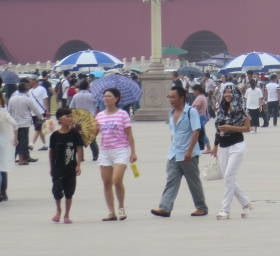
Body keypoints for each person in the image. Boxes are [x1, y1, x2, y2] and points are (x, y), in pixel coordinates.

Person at [150, 84, 208, 218]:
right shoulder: (171, 113)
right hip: (174, 154)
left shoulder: (191, 112)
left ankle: (201, 207)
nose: (170, 100)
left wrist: (189, 151)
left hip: (188, 155)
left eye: (173, 97)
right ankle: (165, 208)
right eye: (169, 97)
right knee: (171, 180)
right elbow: (173, 133)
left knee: (193, 182)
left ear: (182, 98)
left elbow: (196, 131)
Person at [211, 83, 254, 220]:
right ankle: (246, 203)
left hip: (237, 146)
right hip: (223, 146)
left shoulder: (241, 108)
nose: (227, 95)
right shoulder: (221, 108)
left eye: (230, 92)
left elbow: (247, 128)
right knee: (228, 178)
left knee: (229, 176)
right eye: (225, 92)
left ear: (235, 93)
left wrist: (230, 128)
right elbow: (218, 129)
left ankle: (225, 210)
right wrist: (215, 146)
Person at [95, 87, 137, 221]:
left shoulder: (123, 114)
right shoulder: (99, 115)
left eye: (109, 96)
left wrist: (133, 152)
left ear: (116, 99)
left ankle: (121, 208)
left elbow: (129, 134)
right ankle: (111, 212)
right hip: (105, 151)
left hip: (121, 150)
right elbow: (94, 133)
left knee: (116, 180)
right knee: (107, 183)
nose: (106, 98)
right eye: (105, 96)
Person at [49, 107, 83, 224]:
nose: (70, 118)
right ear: (60, 119)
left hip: (70, 167)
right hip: (57, 168)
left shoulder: (75, 134)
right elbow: (51, 152)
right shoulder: (54, 135)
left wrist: (78, 165)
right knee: (57, 191)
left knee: (69, 192)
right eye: (67, 116)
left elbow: (79, 149)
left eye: (71, 116)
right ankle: (58, 210)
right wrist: (51, 167)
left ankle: (67, 214)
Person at [8, 79, 42, 165]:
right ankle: (21, 159)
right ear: (26, 89)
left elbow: (9, 111)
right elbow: (35, 109)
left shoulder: (12, 98)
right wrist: (40, 117)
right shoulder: (27, 99)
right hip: (25, 123)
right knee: (24, 141)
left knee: (17, 140)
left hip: (15, 122)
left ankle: (18, 157)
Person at [69, 79, 99, 161]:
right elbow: (97, 106)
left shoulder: (76, 96)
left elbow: (71, 108)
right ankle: (95, 156)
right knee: (92, 139)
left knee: (79, 139)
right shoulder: (92, 96)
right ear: (88, 86)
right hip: (90, 119)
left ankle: (81, 157)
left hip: (79, 120)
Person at [0, 96, 17, 201]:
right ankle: (3, 192)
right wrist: (15, 137)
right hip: (3, 142)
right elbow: (15, 124)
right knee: (2, 167)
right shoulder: (3, 112)